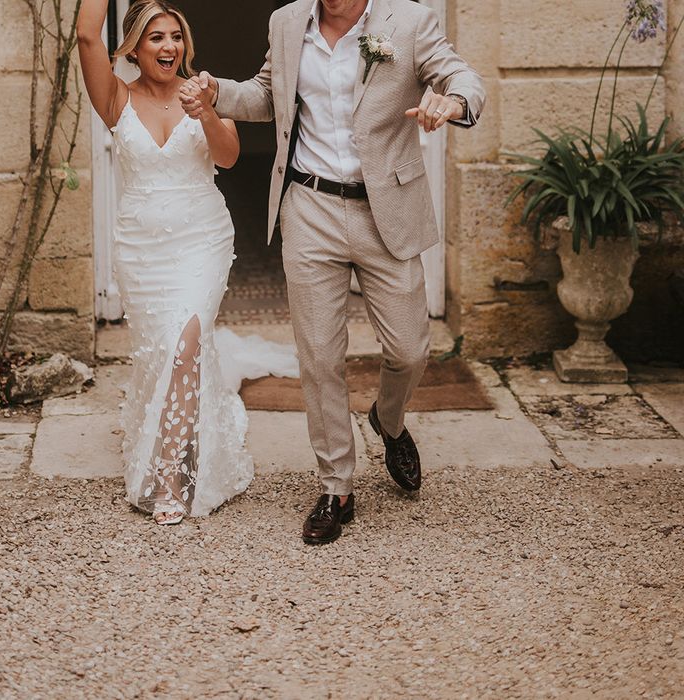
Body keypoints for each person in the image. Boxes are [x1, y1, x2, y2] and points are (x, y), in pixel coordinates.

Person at [181, 0, 485, 544]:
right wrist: (217, 94)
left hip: (385, 207)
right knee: (319, 355)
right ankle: (336, 486)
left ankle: (387, 422)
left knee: (410, 349)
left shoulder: (409, 22)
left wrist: (453, 101)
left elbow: (460, 75)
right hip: (310, 203)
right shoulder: (287, 20)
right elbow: (264, 93)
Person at [77, 0, 284, 525]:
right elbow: (85, 37)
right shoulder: (115, 98)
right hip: (141, 250)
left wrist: (207, 111)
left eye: (175, 37)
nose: (168, 46)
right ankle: (173, 434)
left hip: (201, 239)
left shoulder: (205, 90)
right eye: (155, 38)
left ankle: (171, 475)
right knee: (159, 351)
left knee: (186, 341)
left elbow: (230, 157)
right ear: (134, 47)